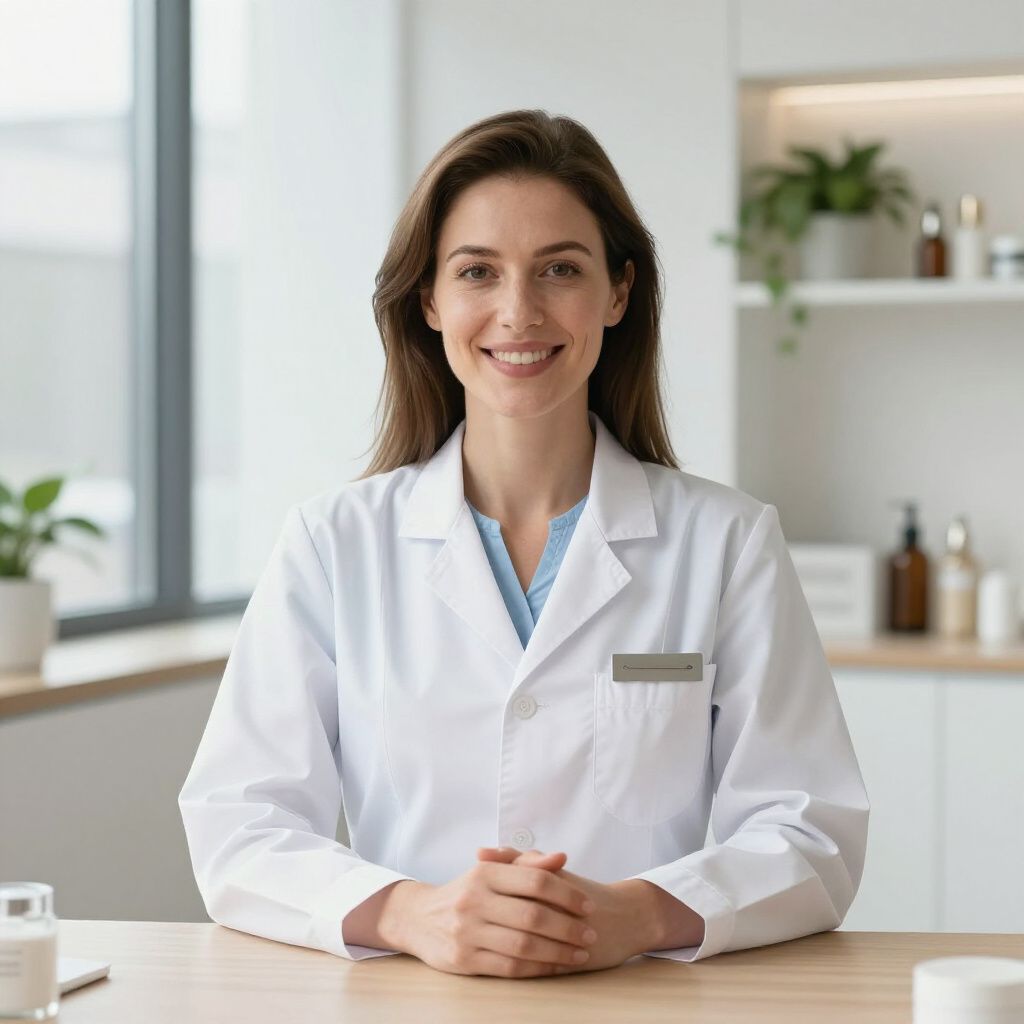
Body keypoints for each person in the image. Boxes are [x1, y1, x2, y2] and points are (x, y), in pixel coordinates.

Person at [178, 109, 869, 980]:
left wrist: (634, 913)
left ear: (617, 292)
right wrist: (410, 913)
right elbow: (239, 824)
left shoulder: (726, 544)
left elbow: (812, 829)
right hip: (414, 998)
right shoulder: (333, 544)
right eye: (478, 271)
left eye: (560, 270)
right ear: (429, 299)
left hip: (643, 997)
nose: (518, 311)